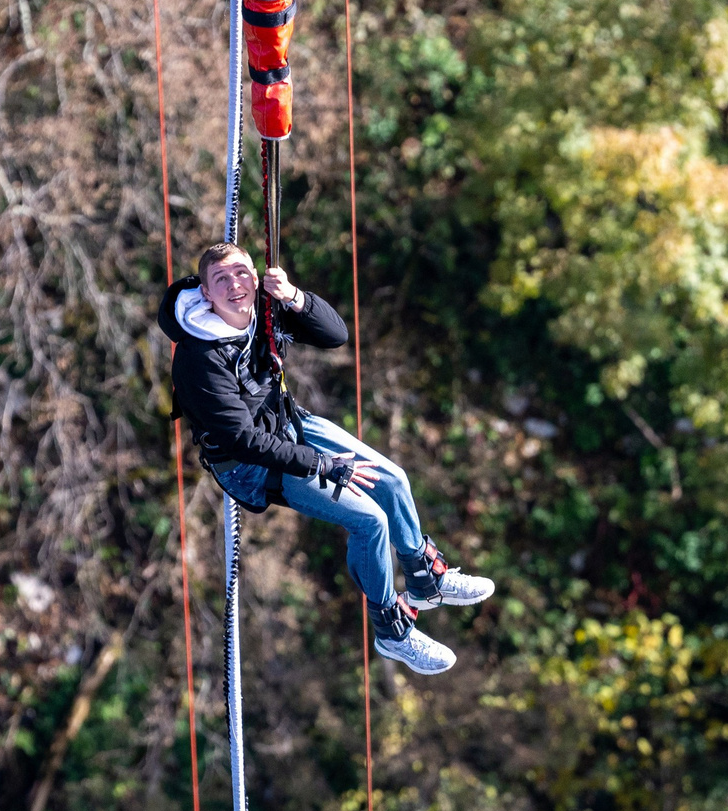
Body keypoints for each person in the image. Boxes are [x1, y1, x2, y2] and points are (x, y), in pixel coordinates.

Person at [156, 241, 493, 674]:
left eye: (241, 273)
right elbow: (241, 439)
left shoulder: (264, 308)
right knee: (370, 521)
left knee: (392, 479)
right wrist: (323, 465)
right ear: (206, 293)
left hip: (286, 422)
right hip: (251, 465)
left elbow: (335, 336)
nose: (235, 285)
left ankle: (426, 577)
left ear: (255, 276)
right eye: (221, 280)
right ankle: (392, 633)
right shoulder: (199, 358)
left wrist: (294, 296)